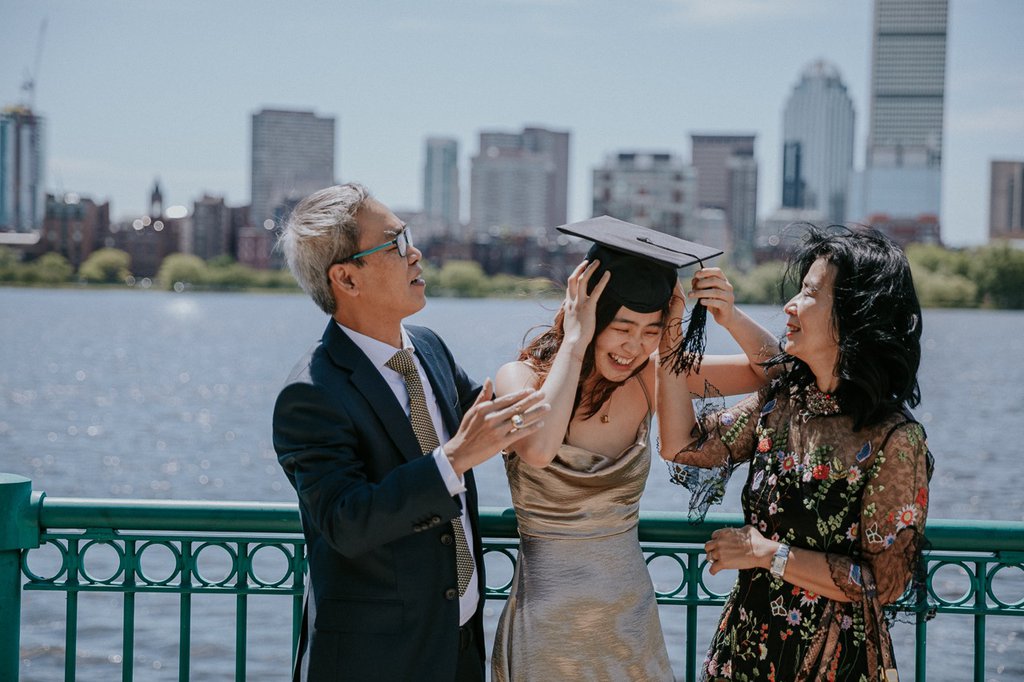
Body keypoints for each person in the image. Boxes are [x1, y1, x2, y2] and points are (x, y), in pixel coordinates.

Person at [273, 183, 549, 682]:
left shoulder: (429, 347)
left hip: (458, 643)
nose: (415, 253)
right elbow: (346, 523)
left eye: (409, 237)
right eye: (396, 243)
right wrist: (452, 462)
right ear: (347, 279)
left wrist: (582, 338)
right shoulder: (311, 394)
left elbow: (498, 417)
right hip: (374, 662)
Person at [490, 218, 778, 681]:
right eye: (621, 327)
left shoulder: (649, 377)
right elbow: (540, 450)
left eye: (649, 330)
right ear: (591, 314)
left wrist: (725, 318)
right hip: (548, 629)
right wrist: (576, 338)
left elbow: (777, 372)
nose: (633, 346)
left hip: (629, 621)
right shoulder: (518, 378)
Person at [658, 226, 933, 682]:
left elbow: (884, 583)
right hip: (743, 653)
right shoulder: (782, 403)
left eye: (808, 293)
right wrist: (672, 336)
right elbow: (683, 445)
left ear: (853, 314)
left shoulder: (895, 439)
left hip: (830, 664)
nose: (790, 304)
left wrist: (769, 554)